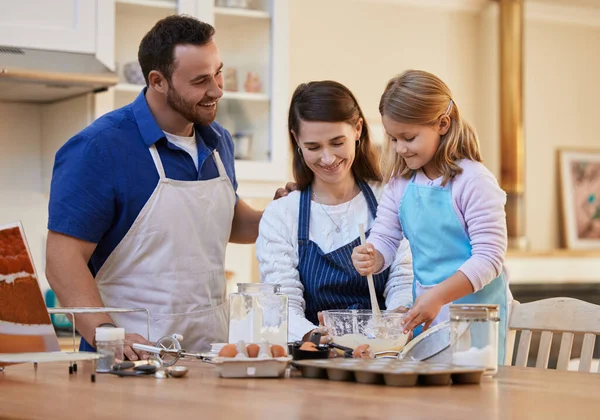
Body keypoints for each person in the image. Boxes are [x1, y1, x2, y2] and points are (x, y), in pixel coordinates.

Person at [46, 15, 267, 358]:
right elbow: (63, 260)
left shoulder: (218, 141)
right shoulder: (100, 148)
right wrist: (107, 335)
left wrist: (285, 213)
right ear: (158, 81)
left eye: (218, 72)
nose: (218, 89)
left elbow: (227, 222)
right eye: (201, 80)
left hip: (208, 355)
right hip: (130, 359)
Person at [351, 69, 512, 362]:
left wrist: (438, 296)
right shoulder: (401, 183)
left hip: (476, 321)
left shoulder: (473, 181)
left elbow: (489, 257)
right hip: (426, 316)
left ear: (442, 124)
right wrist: (373, 256)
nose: (400, 148)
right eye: (393, 139)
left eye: (408, 137)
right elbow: (385, 236)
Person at [256, 81, 413, 343]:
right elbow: (282, 304)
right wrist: (315, 336)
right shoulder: (282, 215)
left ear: (358, 129)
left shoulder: (391, 199)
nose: (327, 159)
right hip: (317, 356)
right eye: (313, 147)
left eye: (337, 142)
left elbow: (404, 278)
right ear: (297, 140)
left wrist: (395, 322)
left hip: (386, 351)